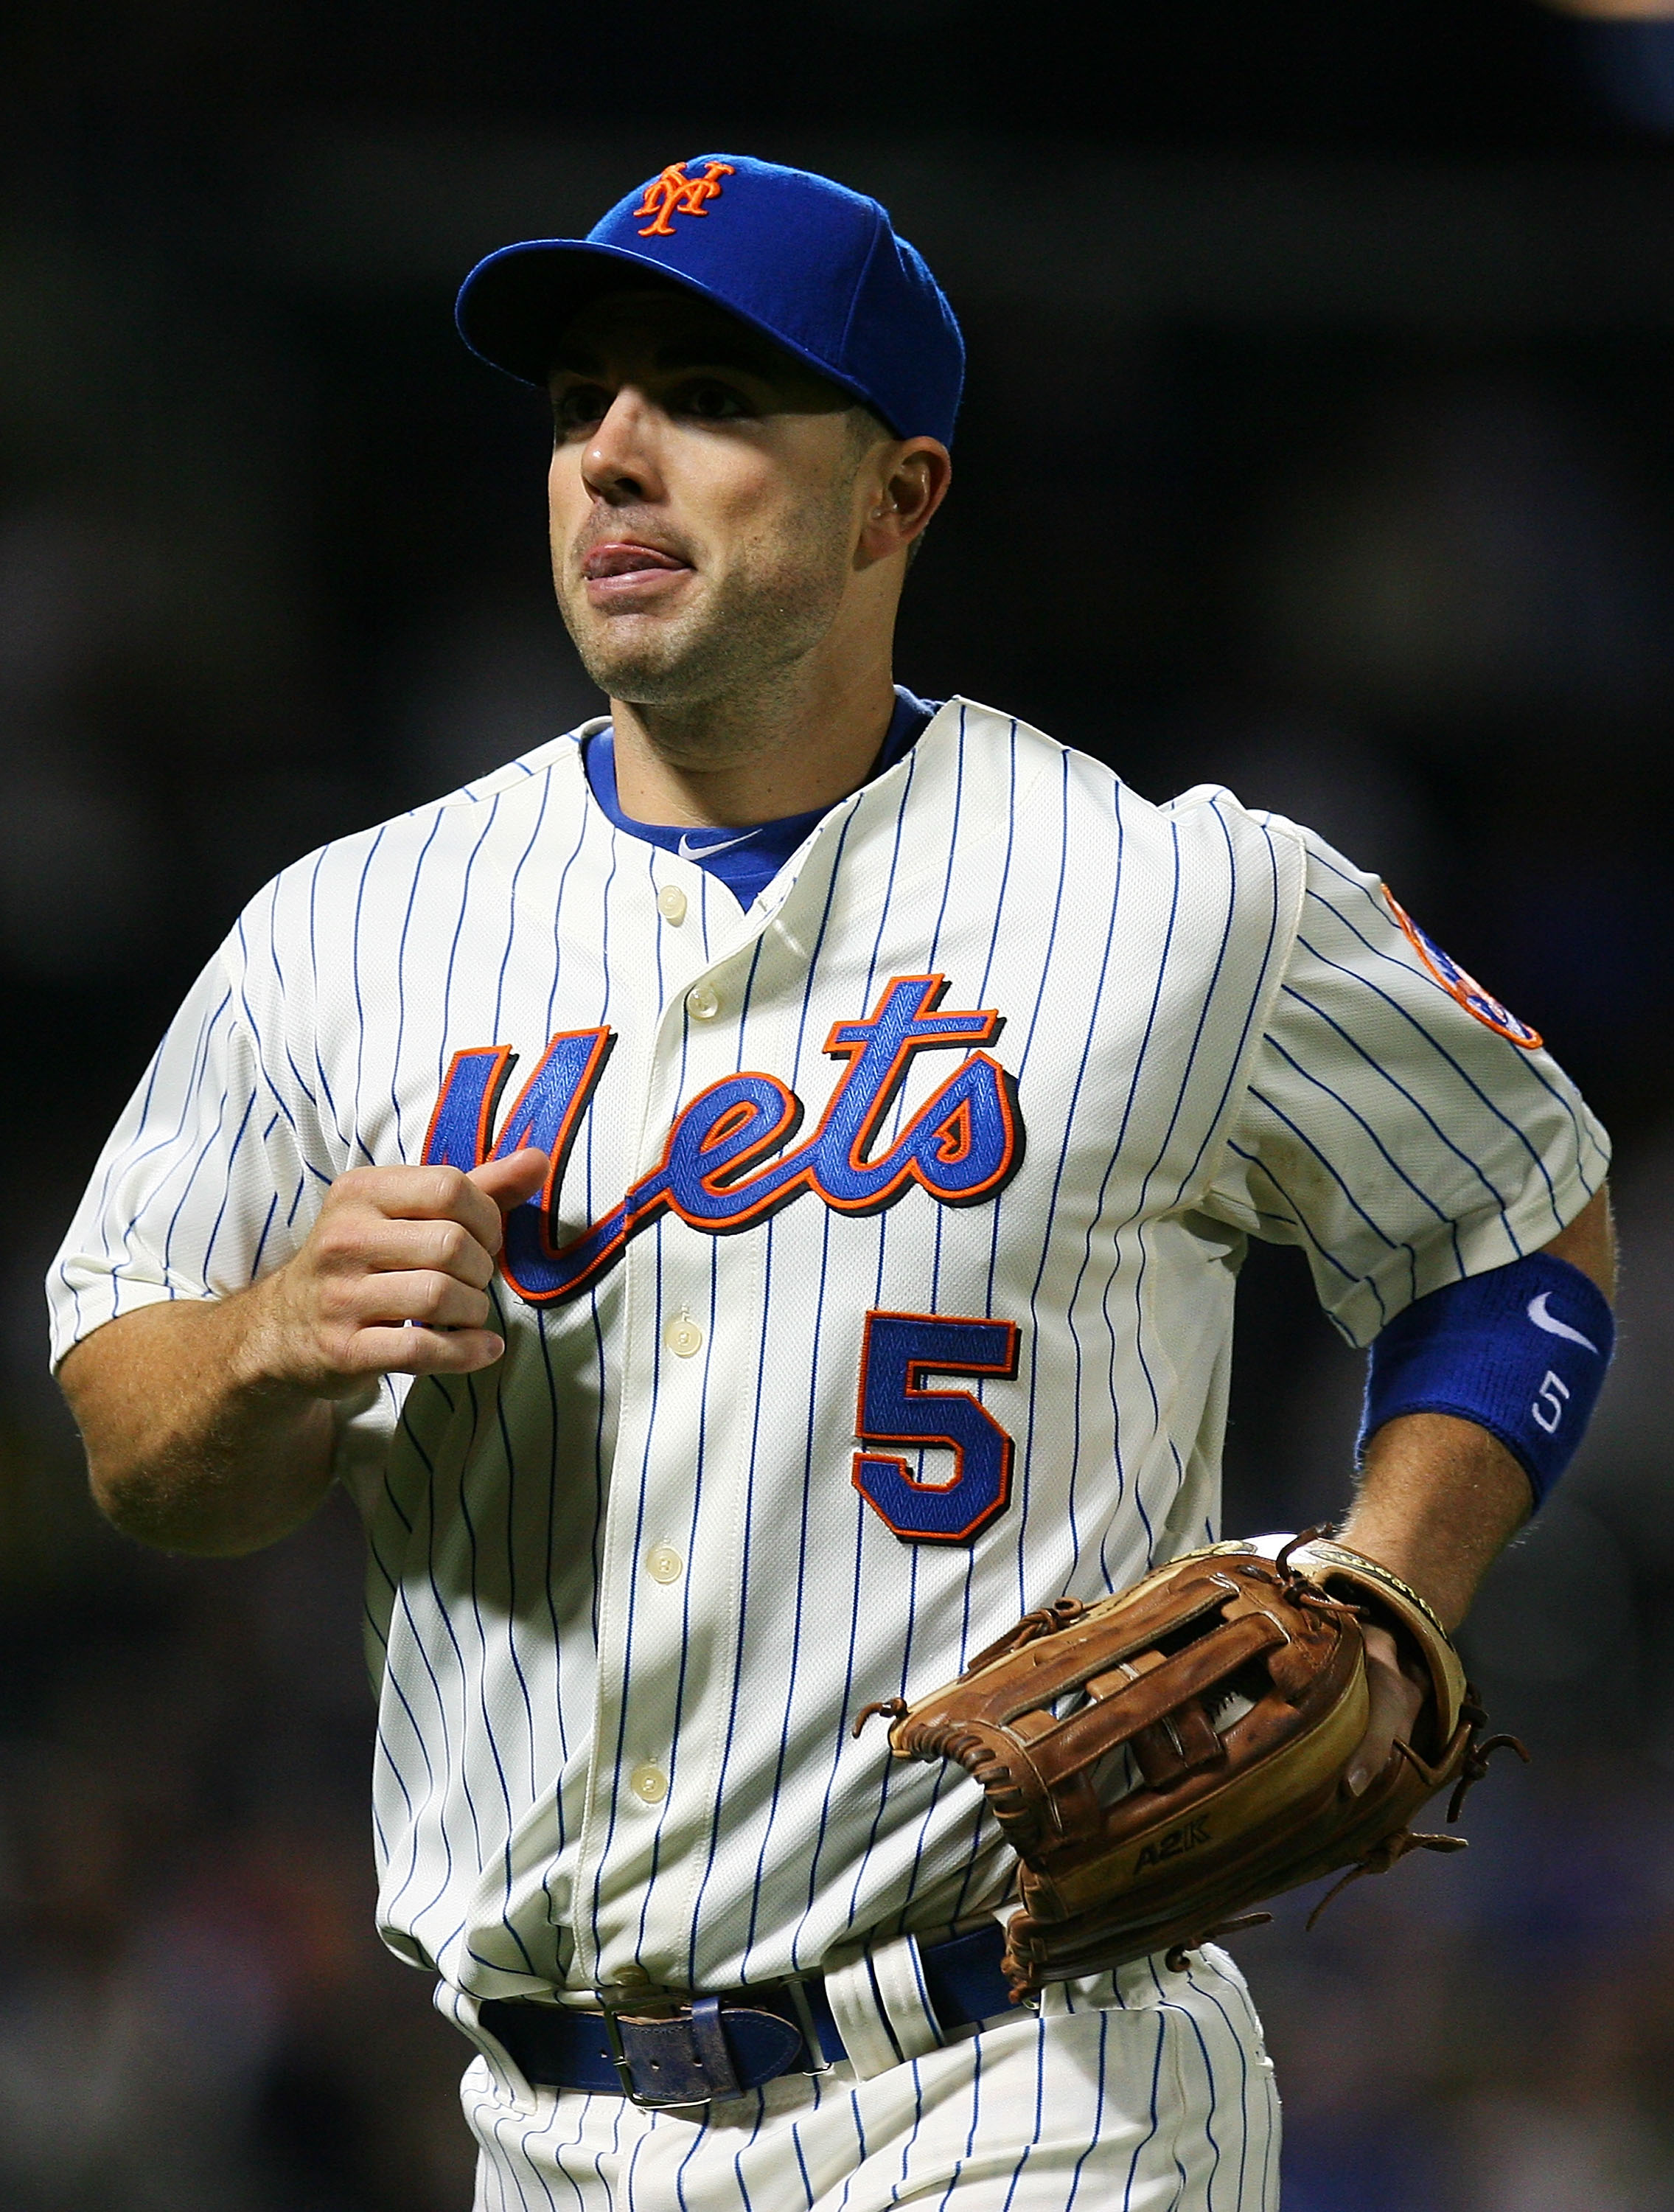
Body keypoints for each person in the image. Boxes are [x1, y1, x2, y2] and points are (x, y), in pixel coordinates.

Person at [49, 155, 1615, 2208]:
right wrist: (265, 1346)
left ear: (903, 496)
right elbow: (138, 1443)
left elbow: (1519, 1214)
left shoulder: (1176, 898)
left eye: (705, 394)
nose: (612, 453)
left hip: (1029, 2086)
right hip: (541, 2128)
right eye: (575, 400)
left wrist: (1401, 1579)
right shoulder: (344, 930)